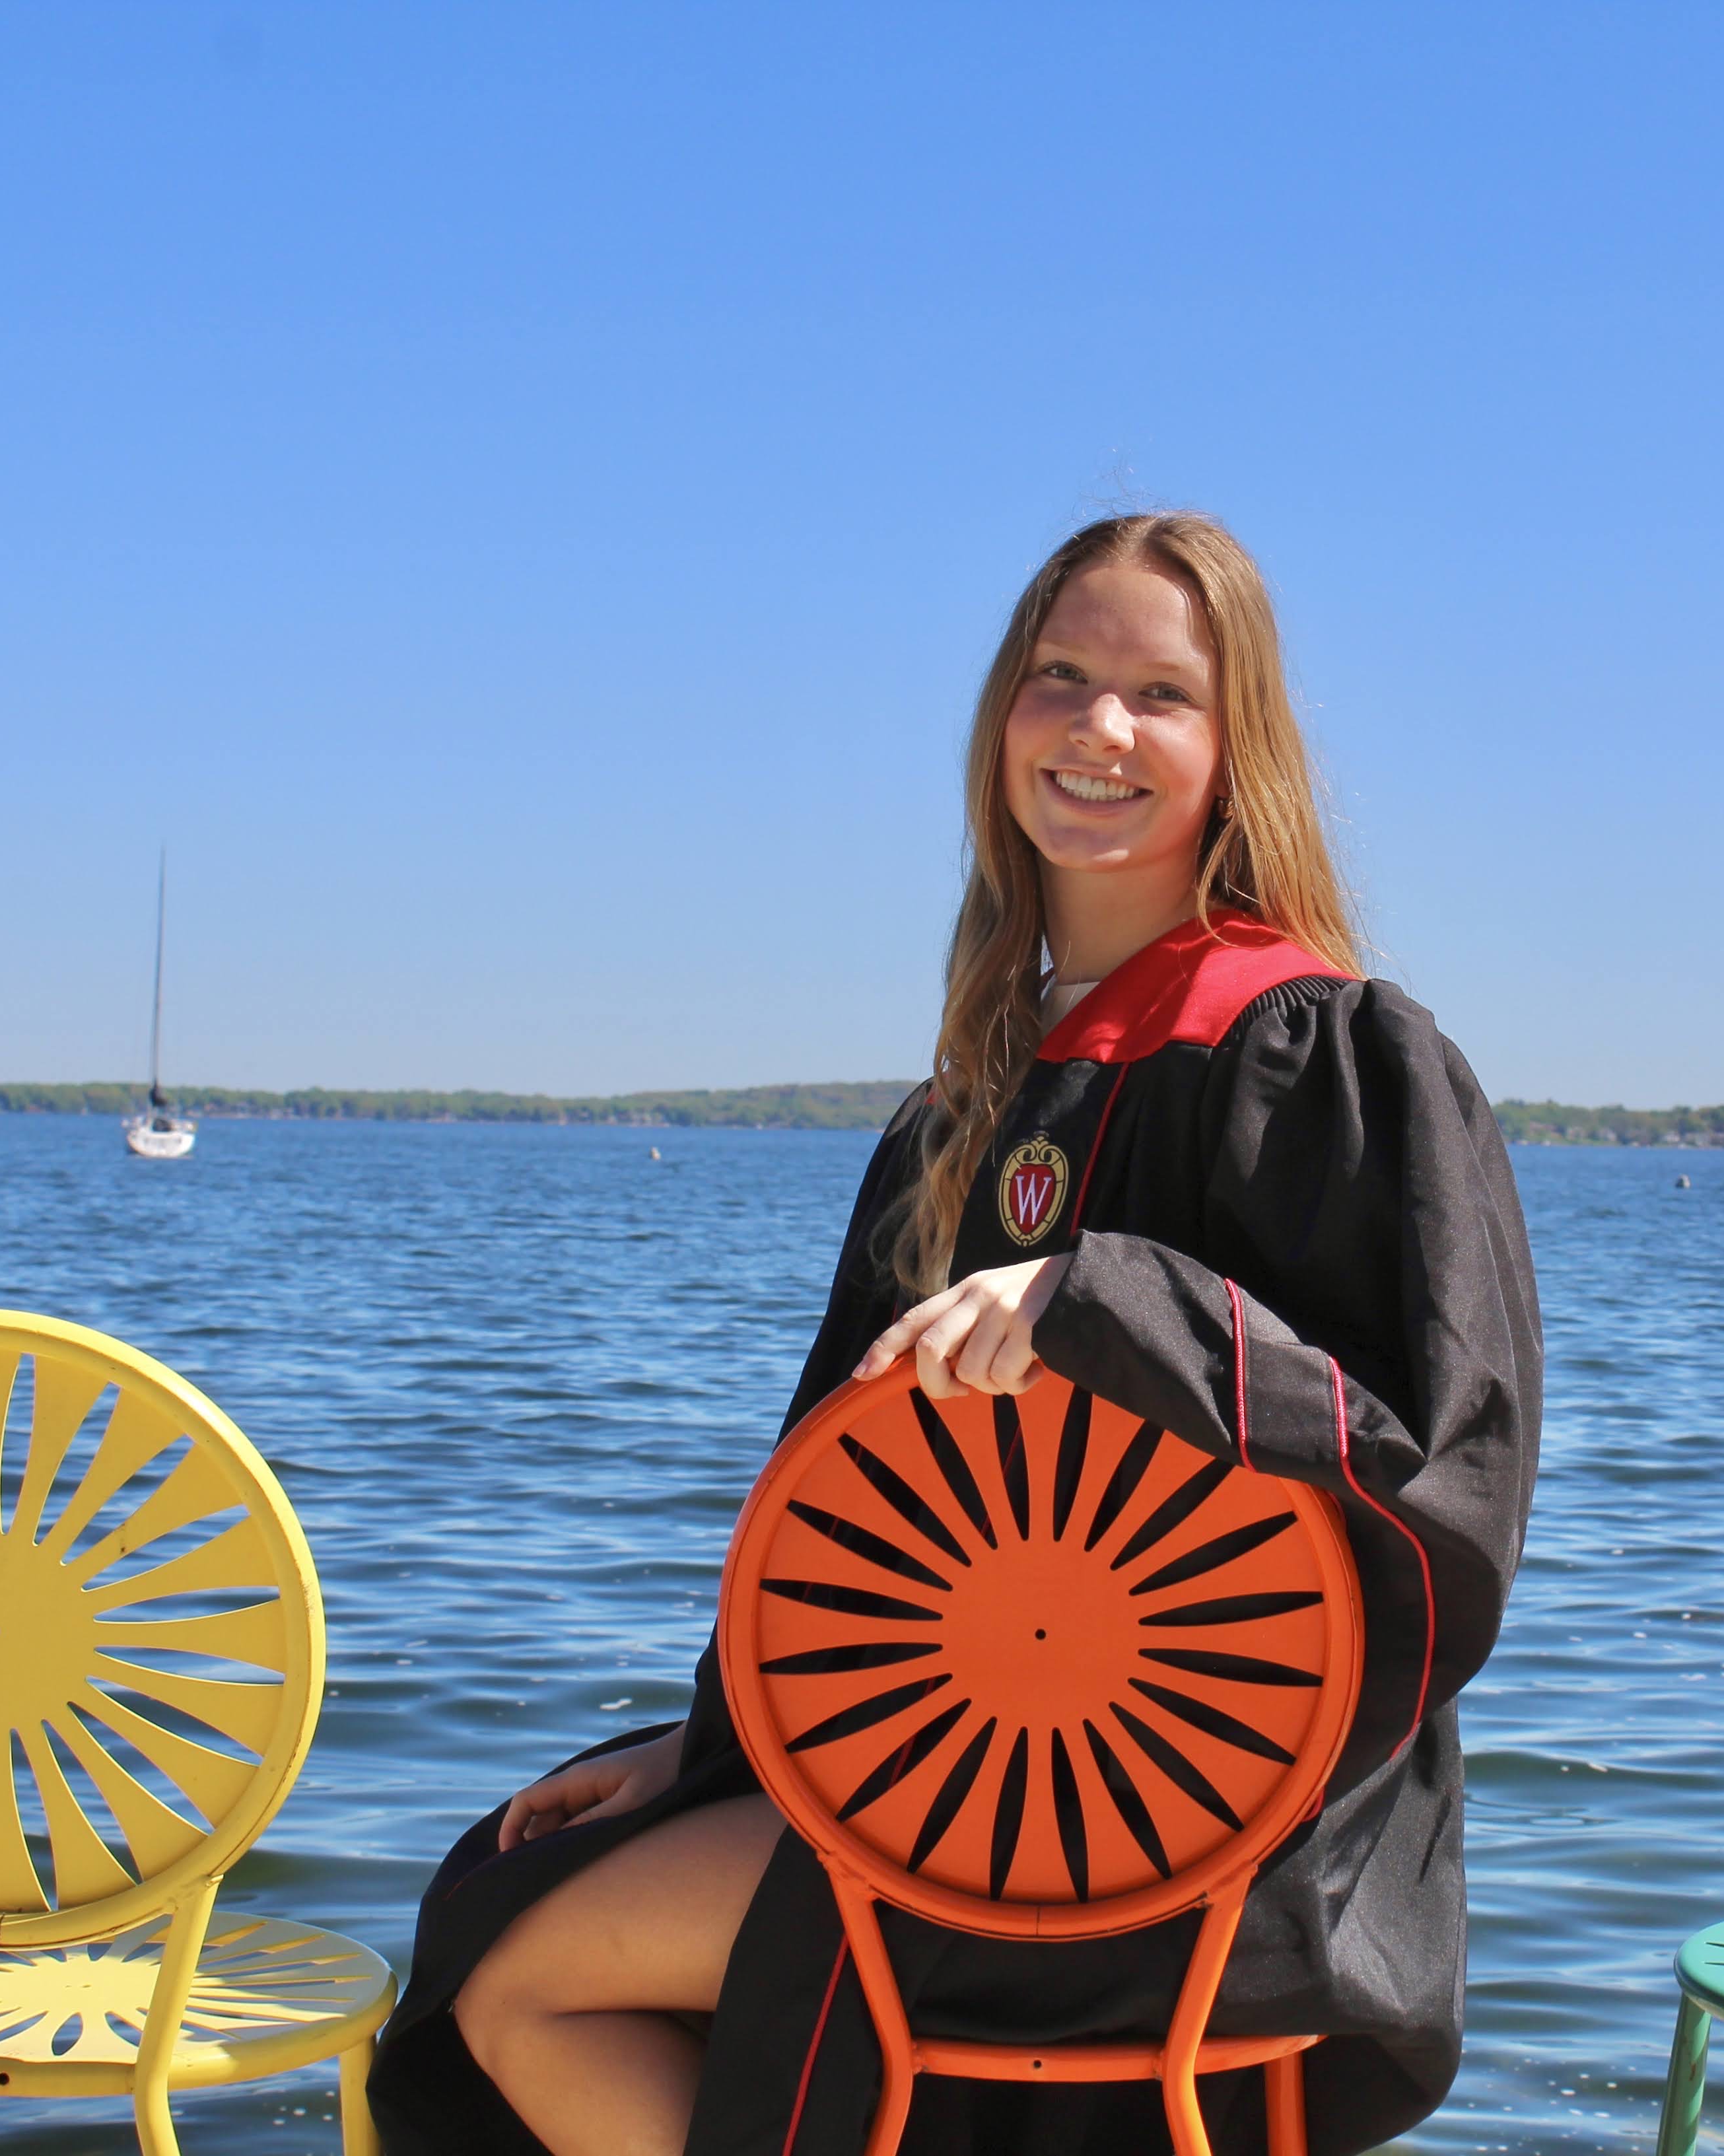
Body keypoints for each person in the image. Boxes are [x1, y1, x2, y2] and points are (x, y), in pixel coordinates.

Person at [369, 512, 1542, 2156]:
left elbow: (1438, 1473)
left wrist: (1111, 1301)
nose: (1098, 728)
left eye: (1160, 693)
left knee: (515, 1978)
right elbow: (847, 1527)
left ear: (1237, 747)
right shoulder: (966, 1113)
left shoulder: (1317, 1052)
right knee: (499, 1884)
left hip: (1209, 1838)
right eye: (1059, 676)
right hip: (946, 1784)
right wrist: (708, 1750)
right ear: (1001, 714)